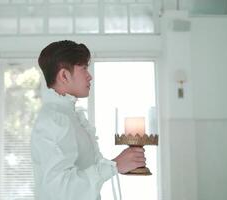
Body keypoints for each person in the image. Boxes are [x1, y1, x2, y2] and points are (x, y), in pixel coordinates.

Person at [31, 40, 146, 200]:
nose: (89, 76)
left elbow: (85, 169)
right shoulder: (54, 120)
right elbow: (60, 189)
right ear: (64, 75)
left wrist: (121, 163)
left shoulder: (70, 116)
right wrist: (115, 166)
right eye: (84, 68)